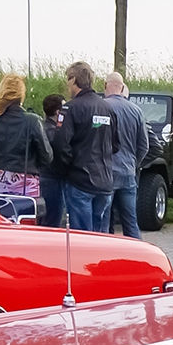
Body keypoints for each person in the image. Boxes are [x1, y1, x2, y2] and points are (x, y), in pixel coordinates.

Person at [50, 61, 118, 233]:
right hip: (105, 182)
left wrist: (65, 170)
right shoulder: (107, 108)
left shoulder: (70, 108)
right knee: (100, 237)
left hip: (80, 181)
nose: (67, 85)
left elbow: (60, 144)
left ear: (74, 80)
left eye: (68, 79)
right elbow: (116, 145)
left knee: (82, 237)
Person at [0, 73, 51, 199]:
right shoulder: (32, 121)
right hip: (26, 183)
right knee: (25, 216)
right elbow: (47, 156)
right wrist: (32, 164)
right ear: (21, 95)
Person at [102, 71, 149, 238]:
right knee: (130, 221)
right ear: (122, 88)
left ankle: (105, 257)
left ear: (105, 86)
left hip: (106, 172)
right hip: (128, 172)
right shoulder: (136, 111)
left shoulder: (101, 107)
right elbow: (144, 145)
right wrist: (133, 164)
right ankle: (137, 257)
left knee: (104, 221)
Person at [38, 94, 66, 228]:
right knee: (54, 219)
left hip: (41, 176)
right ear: (57, 112)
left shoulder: (40, 127)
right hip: (54, 178)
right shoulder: (56, 132)